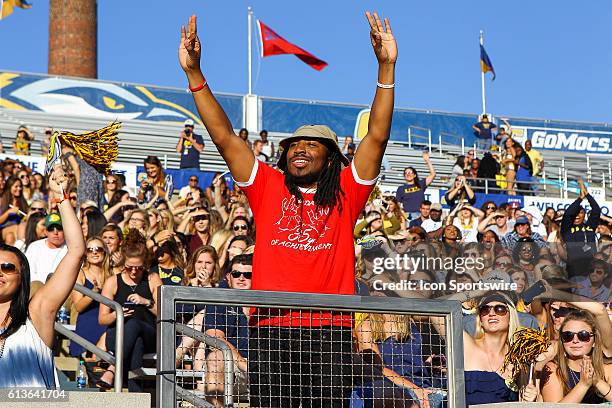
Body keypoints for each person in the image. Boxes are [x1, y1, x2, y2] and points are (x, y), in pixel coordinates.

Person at [179, 11, 396, 406]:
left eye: (312, 144)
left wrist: (386, 68)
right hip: (270, 327)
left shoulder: (347, 190)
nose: (300, 148)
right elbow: (225, 137)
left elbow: (377, 136)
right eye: (294, 144)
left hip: (329, 328)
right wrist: (196, 74)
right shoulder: (268, 186)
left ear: (331, 159)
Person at [0, 166, 85, 388]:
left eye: (7, 267)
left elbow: (75, 252)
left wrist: (62, 198)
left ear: (22, 277)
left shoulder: (36, 314)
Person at [99, 230, 163, 391]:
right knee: (136, 340)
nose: (134, 272)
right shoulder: (113, 282)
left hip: (149, 333)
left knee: (135, 325)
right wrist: (117, 314)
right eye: (129, 268)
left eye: (139, 268)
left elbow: (164, 313)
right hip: (119, 335)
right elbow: (102, 319)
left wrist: (146, 302)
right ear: (123, 264)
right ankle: (136, 394)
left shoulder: (152, 279)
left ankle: (112, 368)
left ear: (145, 264)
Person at [204, 254, 252, 407]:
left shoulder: (266, 301)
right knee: (215, 357)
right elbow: (214, 338)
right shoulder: (218, 298)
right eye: (236, 274)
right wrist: (241, 362)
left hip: (262, 368)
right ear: (228, 277)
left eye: (248, 274)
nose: (241, 278)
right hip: (233, 367)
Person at [542, 310, 612, 403]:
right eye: (568, 336)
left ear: (594, 341)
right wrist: (583, 385)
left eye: (583, 335)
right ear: (562, 340)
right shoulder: (552, 369)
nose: (575, 340)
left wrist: (597, 381)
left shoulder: (607, 368)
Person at [69, 237, 112, 358]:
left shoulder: (111, 274)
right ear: (86, 254)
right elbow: (78, 307)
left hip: (107, 322)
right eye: (90, 249)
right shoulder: (80, 273)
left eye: (98, 249)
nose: (94, 252)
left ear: (104, 252)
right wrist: (93, 293)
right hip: (88, 321)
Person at [561, 179, 600, 278]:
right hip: (575, 270)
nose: (577, 216)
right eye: (576, 213)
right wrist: (580, 198)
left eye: (580, 213)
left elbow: (596, 210)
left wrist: (587, 195)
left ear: (584, 215)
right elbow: (568, 214)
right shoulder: (567, 228)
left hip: (592, 270)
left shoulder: (589, 226)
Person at [25, 213, 68, 283]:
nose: (55, 232)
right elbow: (28, 272)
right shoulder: (34, 247)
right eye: (51, 229)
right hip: (37, 287)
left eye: (59, 228)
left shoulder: (70, 249)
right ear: (45, 231)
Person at [395, 151, 436, 220]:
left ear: (414, 175)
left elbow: (433, 174)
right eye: (406, 173)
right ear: (404, 176)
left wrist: (427, 161)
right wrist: (402, 215)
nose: (408, 174)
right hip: (408, 215)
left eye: (410, 172)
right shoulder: (401, 188)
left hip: (422, 215)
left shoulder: (421, 184)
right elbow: (398, 204)